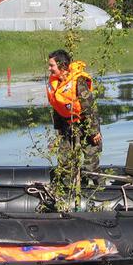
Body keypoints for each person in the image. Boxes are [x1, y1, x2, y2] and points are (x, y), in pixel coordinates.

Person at [46, 49, 102, 186]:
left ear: (62, 66)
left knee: (91, 166)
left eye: (52, 65)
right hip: (67, 126)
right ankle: (68, 192)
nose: (49, 68)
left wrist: (94, 131)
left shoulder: (78, 81)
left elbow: (89, 108)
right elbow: (57, 108)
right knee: (65, 162)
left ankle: (101, 190)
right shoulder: (55, 83)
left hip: (85, 125)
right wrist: (59, 131)